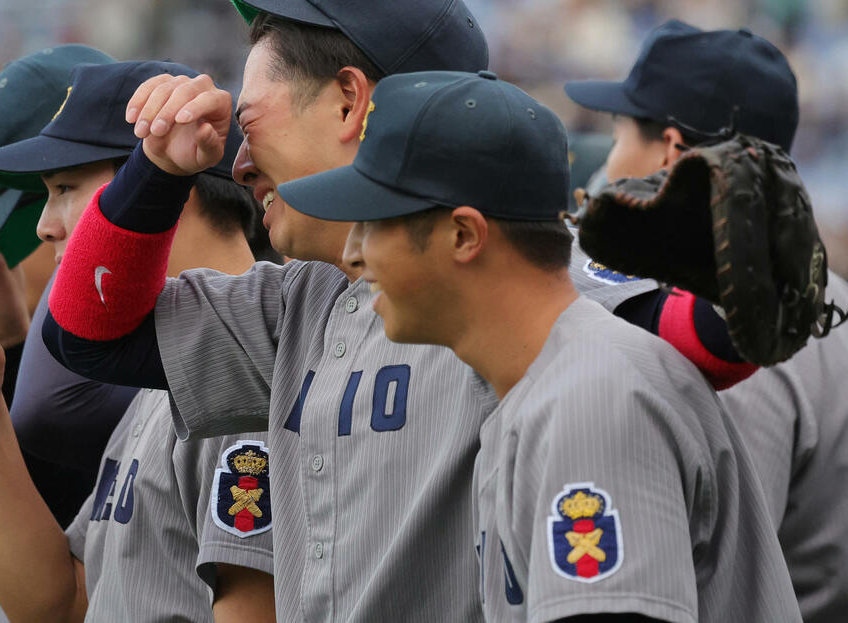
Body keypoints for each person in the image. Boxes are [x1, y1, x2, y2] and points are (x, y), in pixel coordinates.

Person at [34, 0, 760, 620]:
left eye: (251, 124)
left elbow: (702, 340)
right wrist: (154, 172)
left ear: (351, 102)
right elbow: (87, 334)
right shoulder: (301, 299)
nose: (238, 161)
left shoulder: (490, 267)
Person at [277, 69, 800, 622]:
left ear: (464, 235)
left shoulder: (590, 402)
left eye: (373, 223)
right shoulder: (541, 386)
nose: (354, 254)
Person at [0, 60, 275, 622]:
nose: (44, 224)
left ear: (158, 184)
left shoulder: (251, 369)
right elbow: (58, 603)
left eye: (64, 189)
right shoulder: (153, 383)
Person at [564, 18, 848, 623]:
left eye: (619, 132)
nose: (609, 158)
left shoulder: (726, 314)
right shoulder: (822, 295)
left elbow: (719, 568)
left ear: (669, 149)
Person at [0, 45, 126, 618]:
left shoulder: (216, 327)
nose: (42, 234)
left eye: (62, 190)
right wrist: (11, 355)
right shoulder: (64, 352)